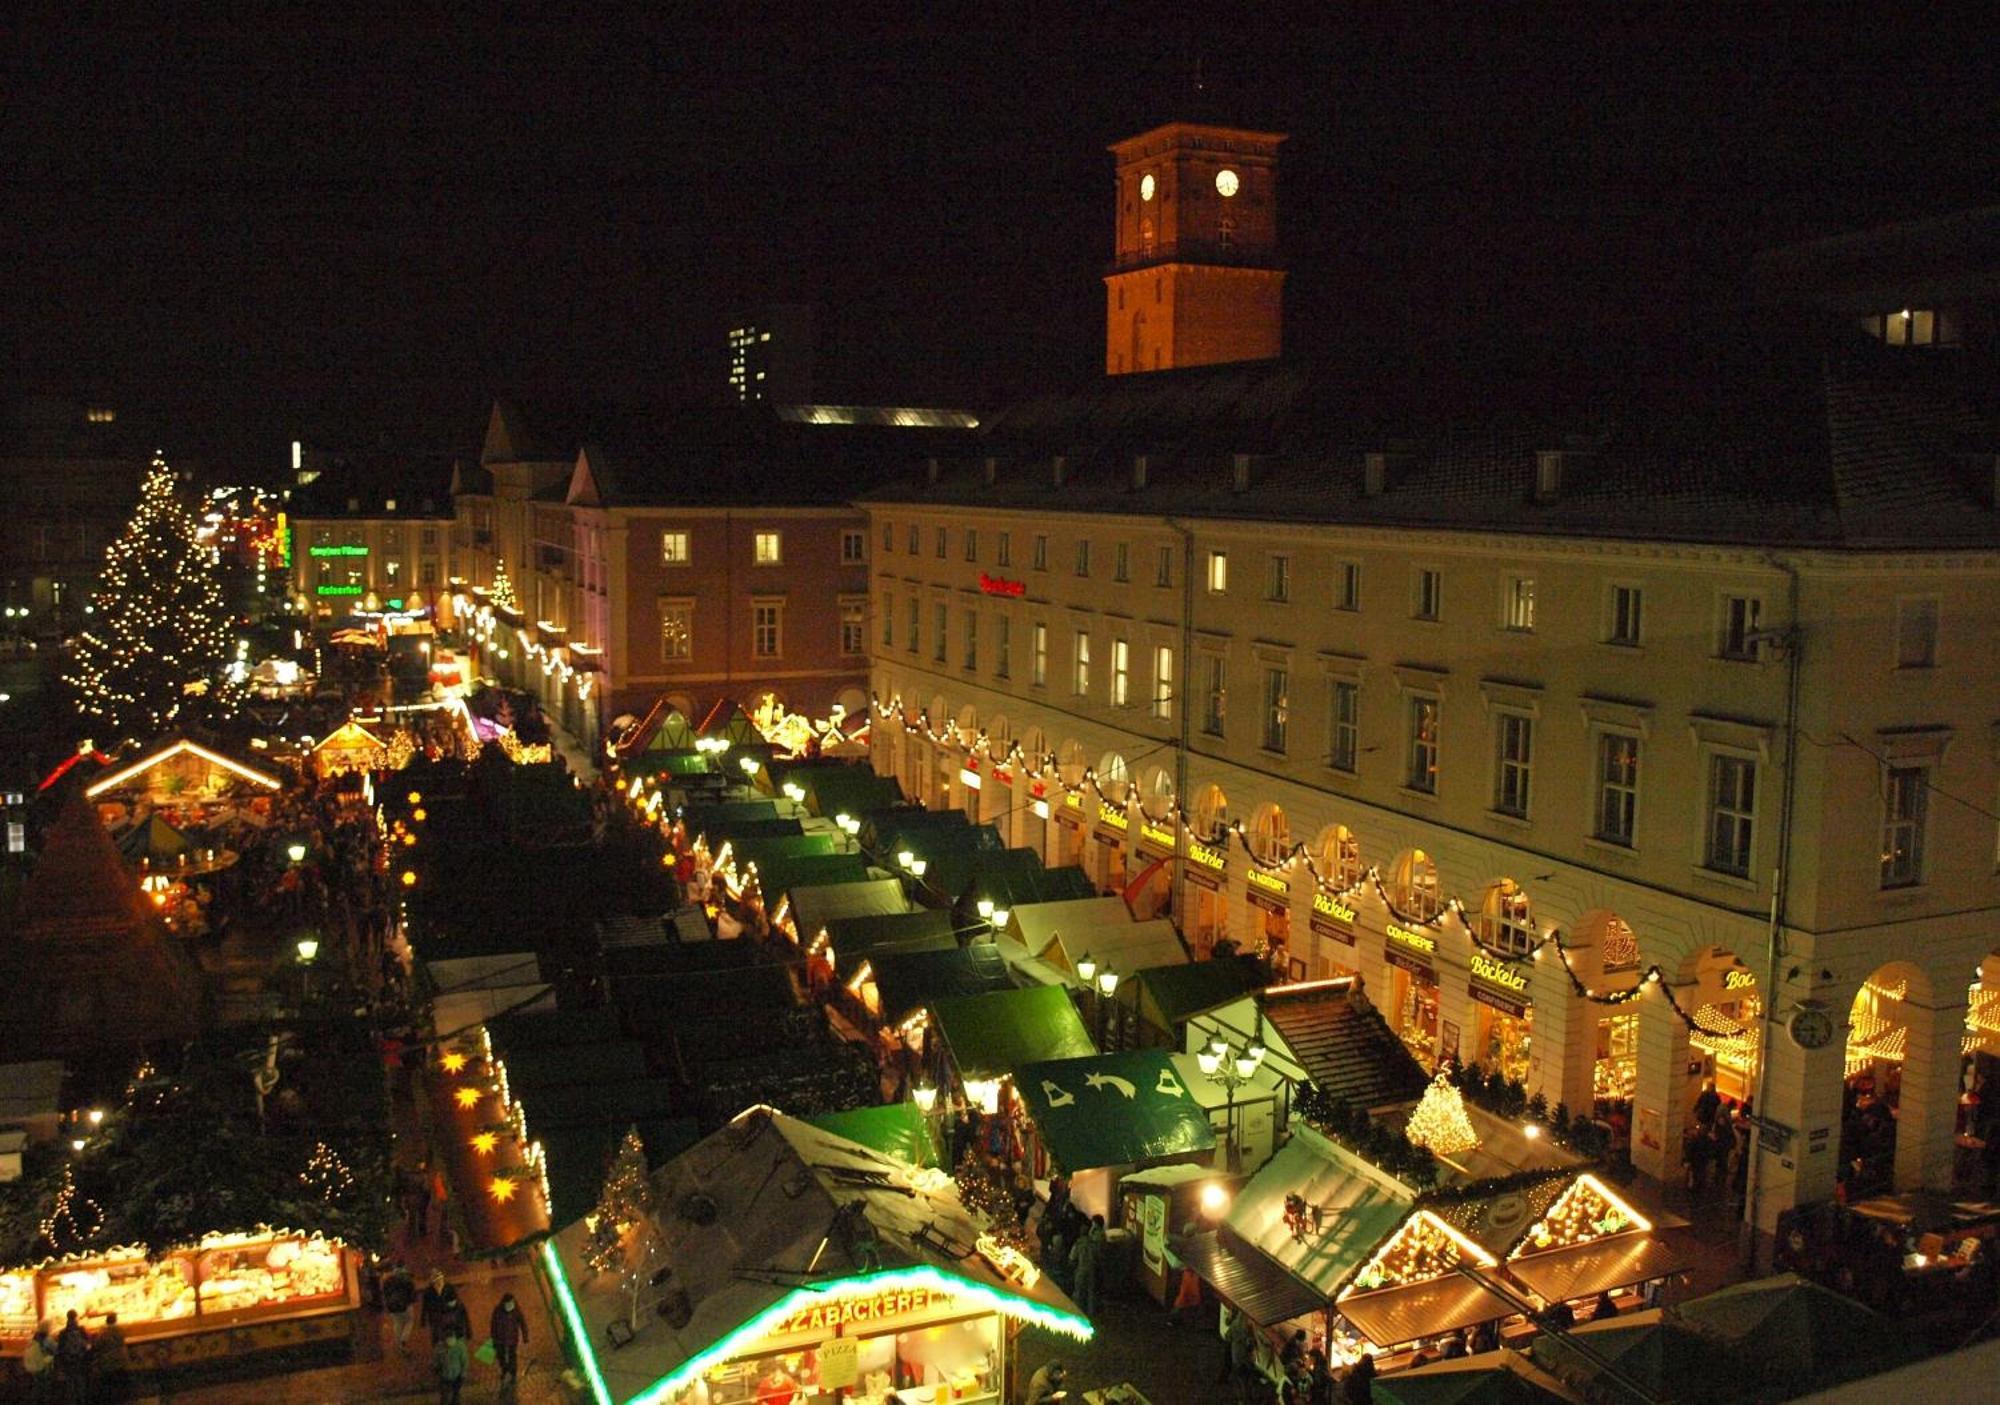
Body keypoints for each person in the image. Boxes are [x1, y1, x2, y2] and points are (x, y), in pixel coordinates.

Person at [1068, 1214, 1107, 1319]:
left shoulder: (1080, 1243)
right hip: (1093, 1269)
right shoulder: (1097, 1240)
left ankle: (1077, 1313)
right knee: (1091, 1293)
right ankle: (1091, 1315)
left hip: (1082, 1269)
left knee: (1079, 1292)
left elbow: (1072, 1258)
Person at [489, 1291, 529, 1384]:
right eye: (508, 1304)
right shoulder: (497, 1311)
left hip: (512, 1338)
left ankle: (513, 1373)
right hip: (500, 1339)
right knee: (501, 1356)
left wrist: (525, 1336)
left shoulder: (516, 1311)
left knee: (512, 1356)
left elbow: (523, 1323)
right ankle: (505, 1370)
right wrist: (493, 1337)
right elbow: (493, 1325)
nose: (510, 1305)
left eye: (511, 1303)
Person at [55, 1310, 91, 1404]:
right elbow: (88, 1344)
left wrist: (61, 1365)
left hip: (68, 1362)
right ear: (76, 1317)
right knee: (81, 1383)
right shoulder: (81, 1330)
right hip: (80, 1360)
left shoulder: (63, 1333)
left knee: (70, 1384)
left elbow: (59, 1349)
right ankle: (82, 1401)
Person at [92, 1313, 129, 1403]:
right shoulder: (121, 1329)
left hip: (108, 1361)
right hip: (121, 1359)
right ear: (115, 1320)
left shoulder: (103, 1331)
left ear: (106, 1321)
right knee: (120, 1381)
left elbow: (98, 1344)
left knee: (110, 1382)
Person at [382, 1260, 417, 1352]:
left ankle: (398, 1344)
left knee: (397, 1323)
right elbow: (411, 1291)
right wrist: (412, 1300)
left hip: (392, 1305)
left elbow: (385, 1293)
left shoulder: (388, 1280)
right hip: (405, 1304)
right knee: (409, 1321)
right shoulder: (406, 1278)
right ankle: (404, 1340)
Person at [434, 1327, 469, 1405]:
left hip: (457, 1376)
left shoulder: (460, 1346)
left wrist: (463, 1375)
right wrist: (436, 1369)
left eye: (451, 1337)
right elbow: (436, 1359)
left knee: (455, 1397)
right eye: (447, 1337)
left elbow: (464, 1362)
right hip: (444, 1376)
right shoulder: (439, 1347)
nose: (449, 1340)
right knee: (445, 1397)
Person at [23, 1323, 56, 1402]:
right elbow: (56, 1349)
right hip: (42, 1366)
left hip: (33, 1365)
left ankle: (35, 1399)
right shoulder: (48, 1340)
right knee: (44, 1385)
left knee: (36, 1384)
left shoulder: (32, 1339)